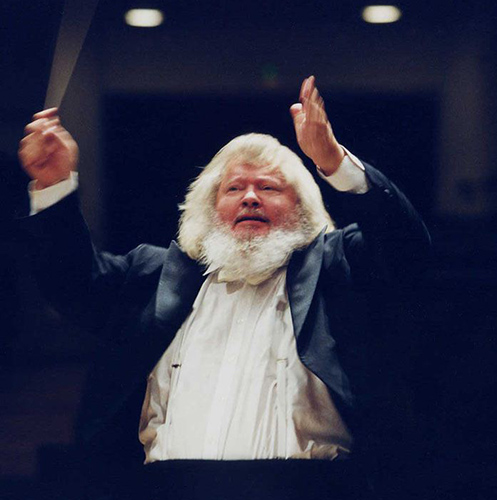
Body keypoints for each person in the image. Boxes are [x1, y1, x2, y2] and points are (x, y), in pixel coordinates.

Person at [18, 76, 431, 499]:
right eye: (234, 188)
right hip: (169, 489)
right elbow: (71, 283)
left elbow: (408, 249)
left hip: (307, 489)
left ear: (303, 209)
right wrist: (54, 185)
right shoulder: (155, 275)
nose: (250, 198)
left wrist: (334, 162)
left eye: (268, 187)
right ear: (212, 208)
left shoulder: (337, 266)